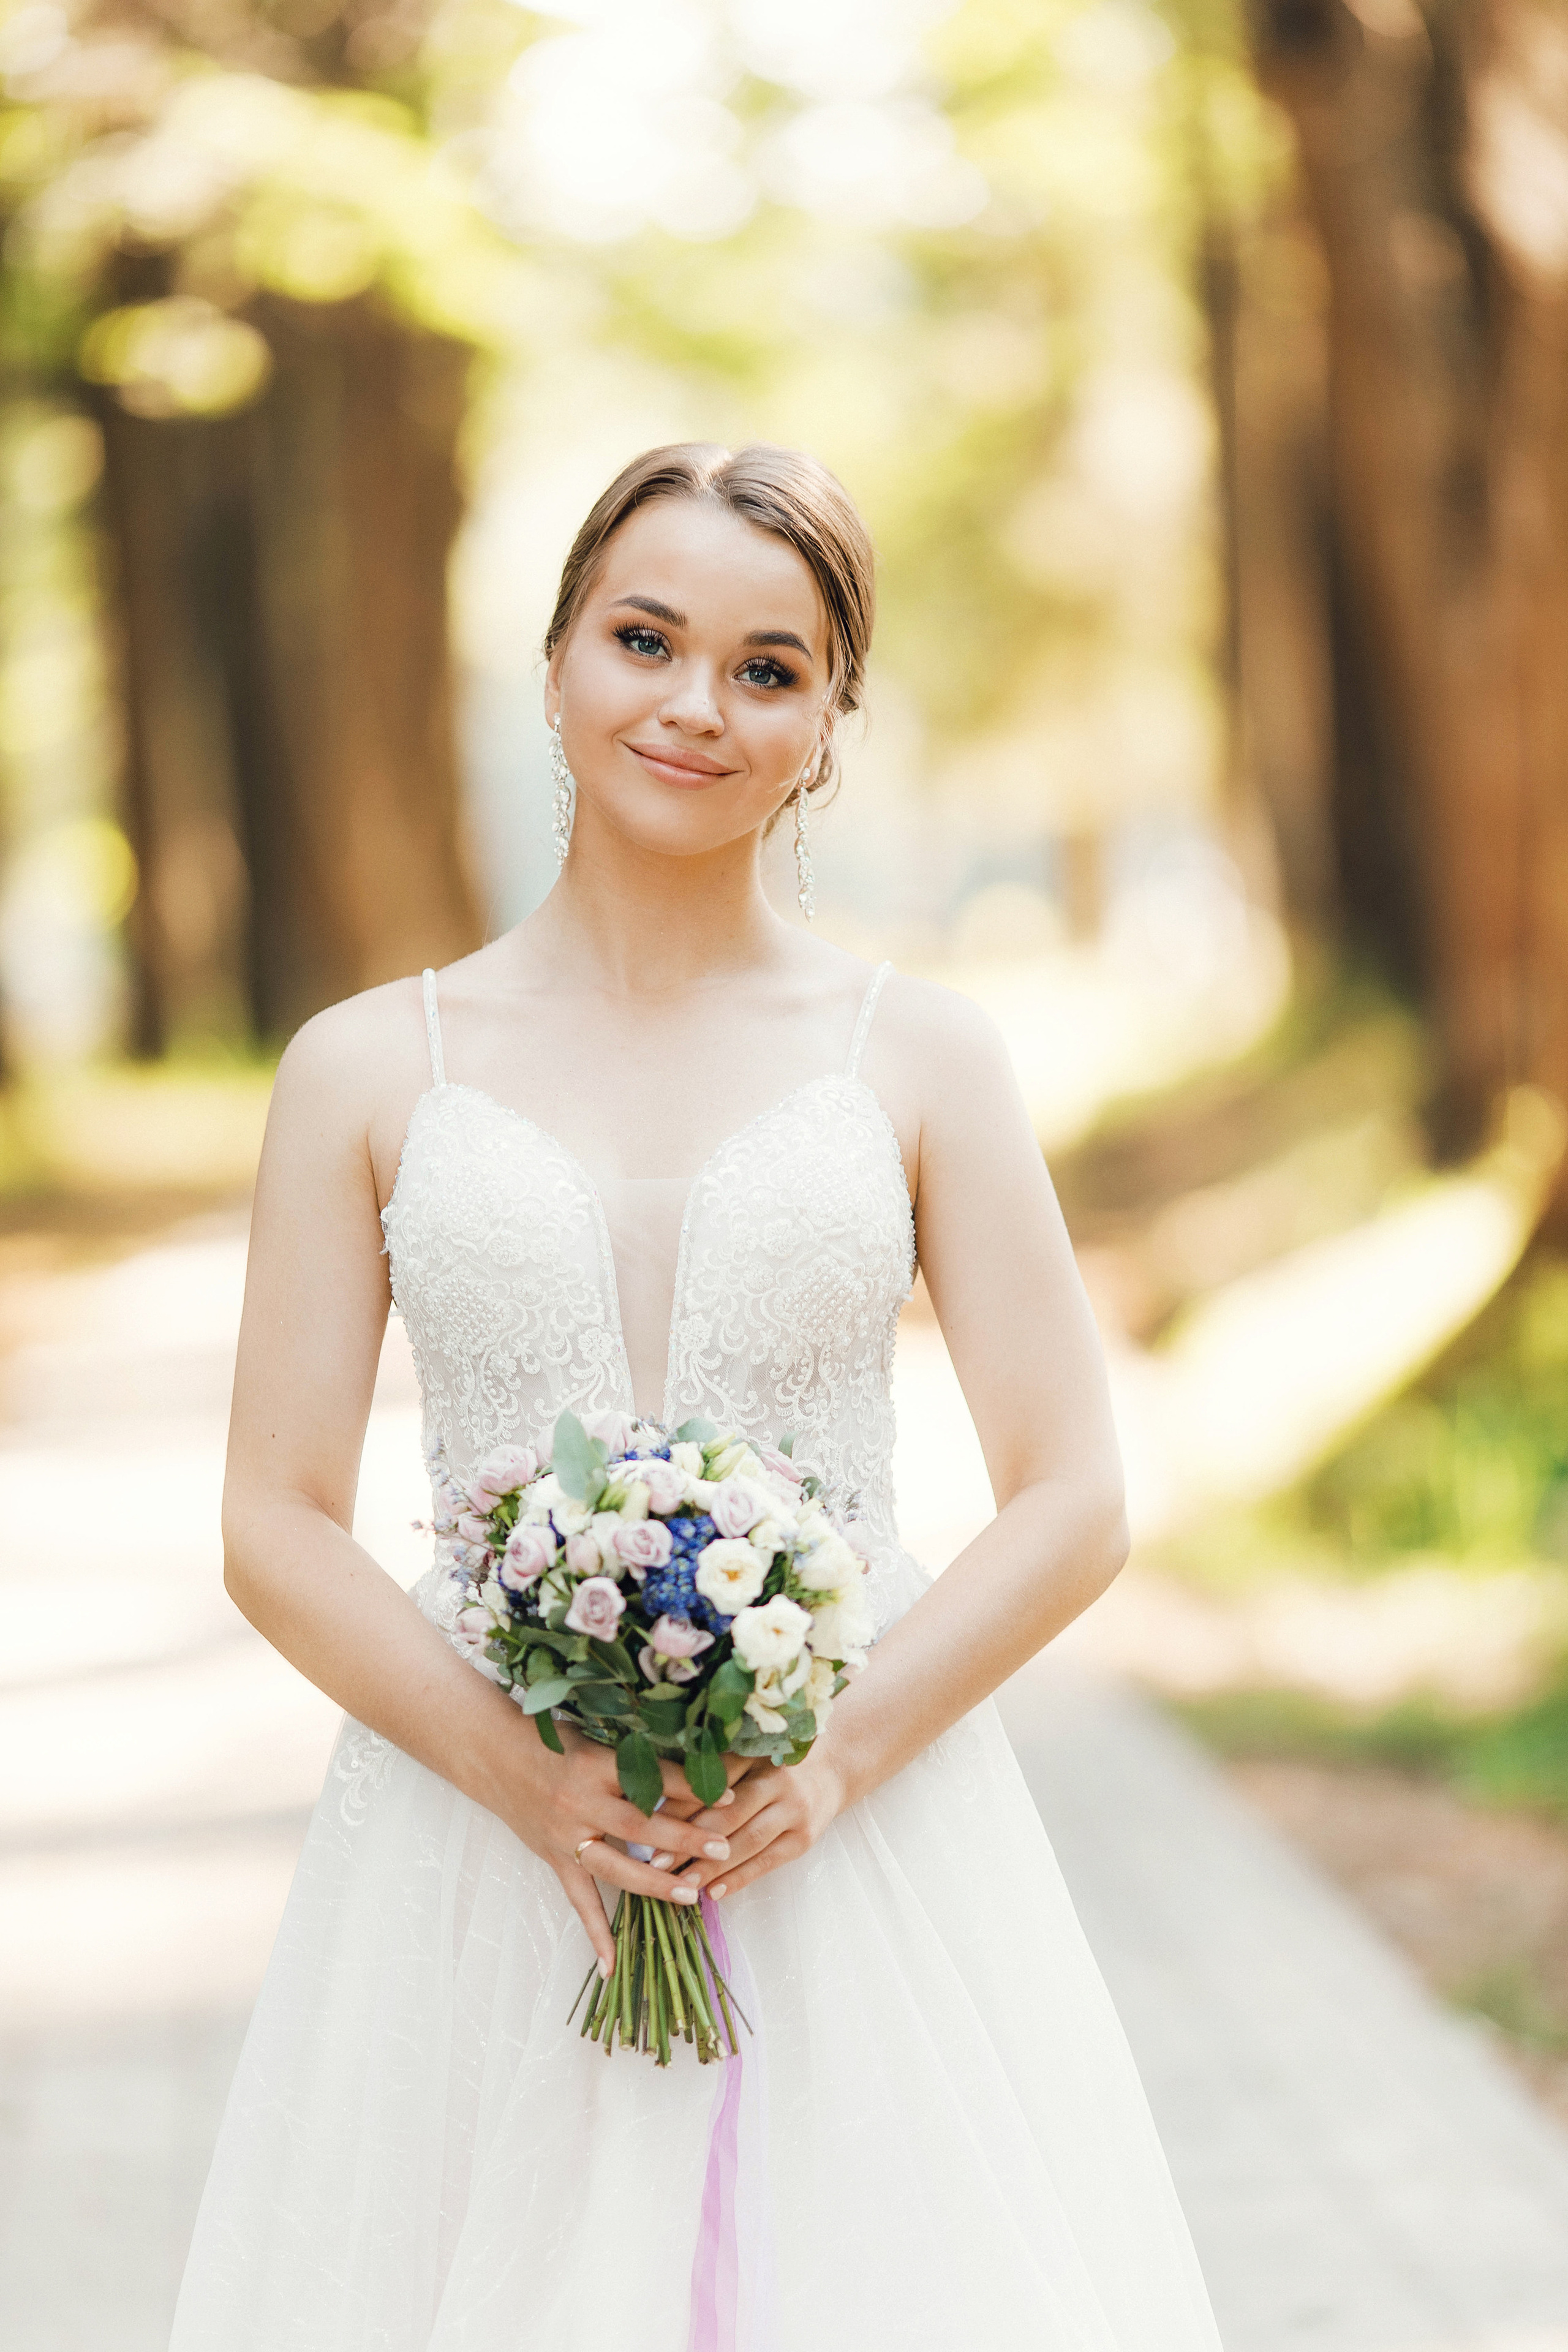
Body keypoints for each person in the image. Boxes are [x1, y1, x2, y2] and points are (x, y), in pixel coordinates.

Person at [170, 442, 1223, 2351]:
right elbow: (270, 1520)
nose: (695, 706)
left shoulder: (927, 1059)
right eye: (645, 639)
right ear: (559, 658)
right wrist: (531, 1782)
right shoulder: (359, 1068)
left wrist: (831, 1760)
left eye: (768, 667)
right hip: (472, 1843)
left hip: (861, 1830)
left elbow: (1075, 1493)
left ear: (829, 722)